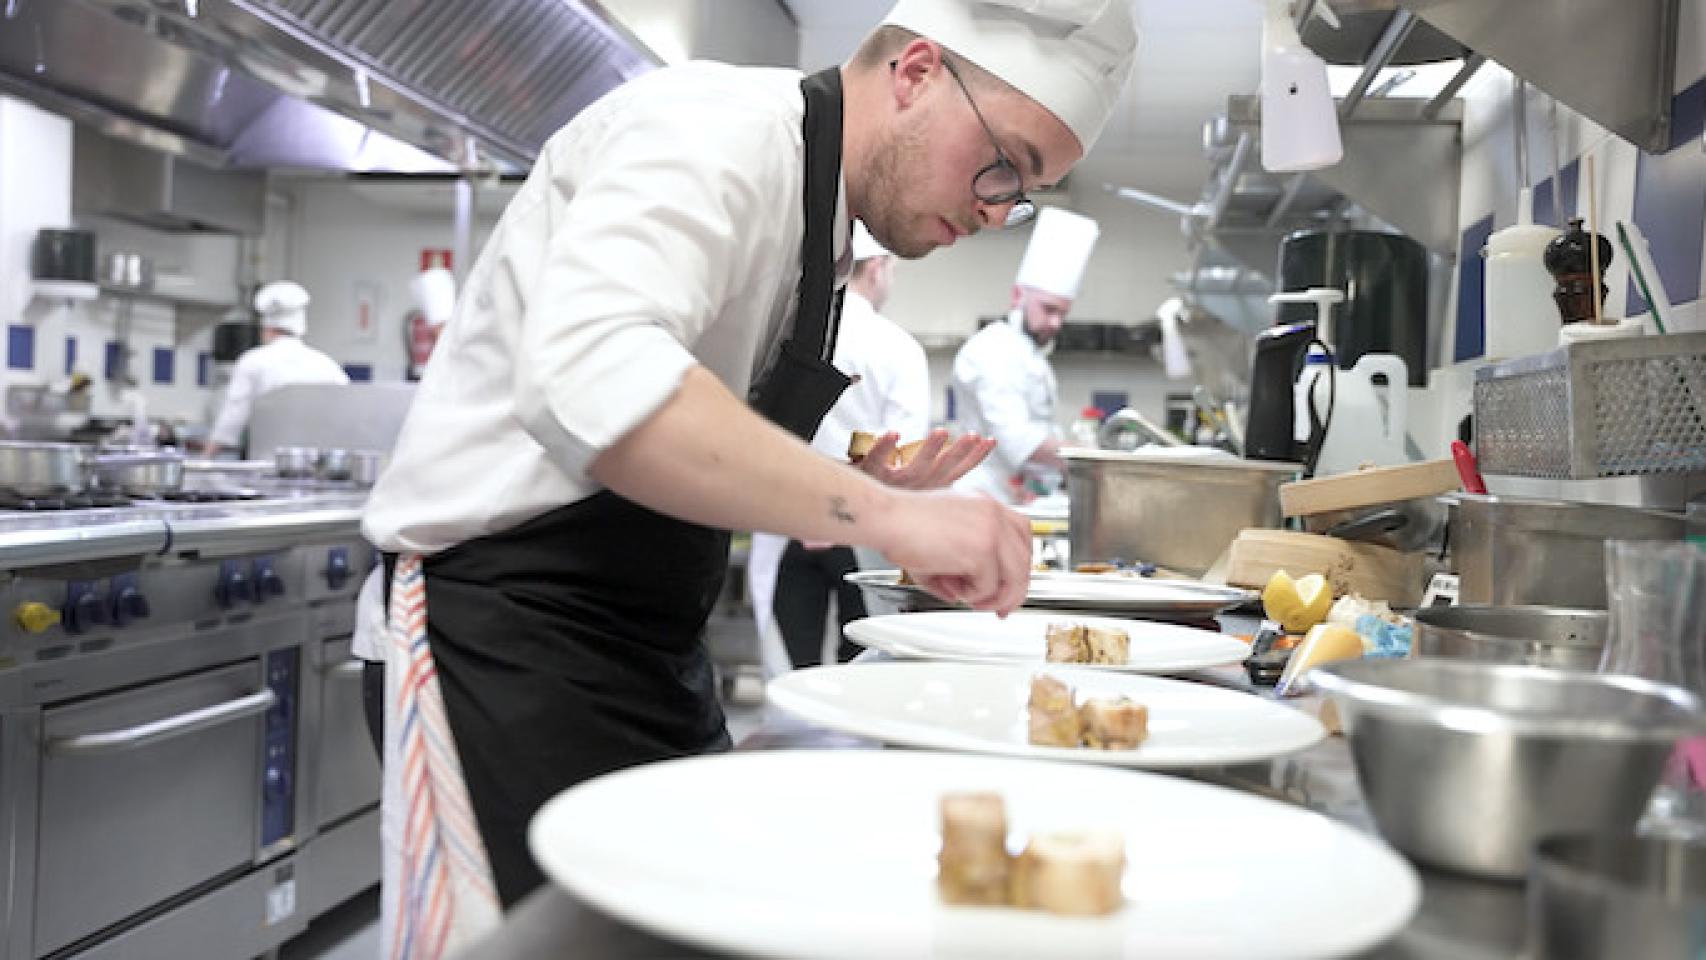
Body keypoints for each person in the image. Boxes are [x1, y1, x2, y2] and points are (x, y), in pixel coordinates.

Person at [360, 0, 1136, 947]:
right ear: (918, 71)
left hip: (641, 651)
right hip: (499, 638)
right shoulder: (714, 129)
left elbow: (697, 436)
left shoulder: (827, 227)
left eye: (1022, 192)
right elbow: (591, 376)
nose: (993, 207)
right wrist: (881, 516)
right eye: (1004, 163)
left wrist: (866, 499)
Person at [760, 221, 930, 669]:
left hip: (784, 527)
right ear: (876, 268)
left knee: (790, 669)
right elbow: (906, 458)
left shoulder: (787, 338)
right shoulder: (900, 348)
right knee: (859, 664)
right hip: (861, 534)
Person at [950, 205, 1101, 504]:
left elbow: (1040, 431)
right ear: (1018, 295)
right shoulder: (992, 350)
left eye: (1062, 313)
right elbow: (1017, 439)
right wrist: (1091, 460)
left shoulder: (1030, 354)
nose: (1056, 323)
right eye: (1049, 309)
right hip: (980, 499)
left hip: (1014, 497)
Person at [204, 281, 350, 458]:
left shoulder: (253, 361)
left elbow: (232, 419)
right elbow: (346, 414)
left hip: (266, 465)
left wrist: (206, 458)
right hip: (317, 469)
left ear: (266, 329)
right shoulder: (327, 365)